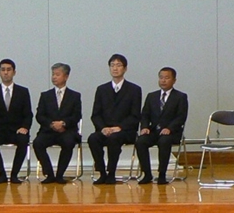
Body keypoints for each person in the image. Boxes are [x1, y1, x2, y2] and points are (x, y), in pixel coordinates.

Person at [87, 54, 142, 184]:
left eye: (118, 65)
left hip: (125, 131)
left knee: (114, 139)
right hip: (105, 129)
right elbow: (95, 114)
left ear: (125, 68)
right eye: (112, 65)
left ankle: (111, 173)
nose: (115, 68)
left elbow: (135, 115)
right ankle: (102, 172)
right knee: (93, 138)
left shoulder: (134, 89)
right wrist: (102, 128)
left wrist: (120, 127)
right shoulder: (102, 89)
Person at [135, 67, 188, 185]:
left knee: (164, 141)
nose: (163, 80)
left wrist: (169, 128)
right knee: (141, 141)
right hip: (154, 131)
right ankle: (147, 173)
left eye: (167, 78)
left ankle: (162, 174)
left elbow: (181, 117)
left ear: (174, 80)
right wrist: (144, 127)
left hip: (172, 132)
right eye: (161, 78)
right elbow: (145, 115)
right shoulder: (151, 96)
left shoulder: (180, 97)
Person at [0, 59, 33, 184]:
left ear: (14, 72)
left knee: (23, 140)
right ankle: (2, 174)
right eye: (3, 70)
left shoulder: (23, 92)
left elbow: (28, 114)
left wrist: (25, 127)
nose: (6, 72)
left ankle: (15, 174)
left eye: (9, 70)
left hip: (16, 130)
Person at [32, 63, 82, 184]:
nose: (54, 77)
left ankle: (60, 175)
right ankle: (49, 174)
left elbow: (76, 116)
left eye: (57, 74)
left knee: (68, 143)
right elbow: (40, 115)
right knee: (37, 143)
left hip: (67, 130)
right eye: (53, 74)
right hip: (49, 131)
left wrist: (63, 123)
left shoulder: (75, 96)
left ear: (66, 77)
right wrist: (51, 124)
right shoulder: (45, 96)